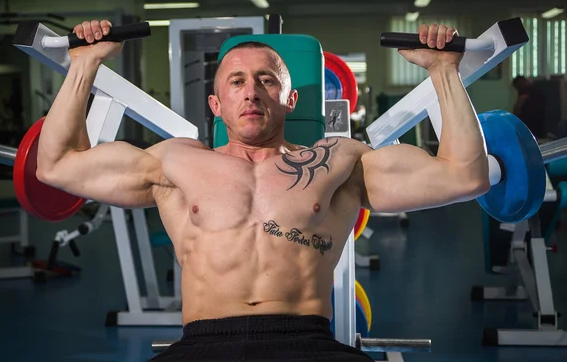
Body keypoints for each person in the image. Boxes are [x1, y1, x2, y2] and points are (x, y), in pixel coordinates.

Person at [36, 20, 491, 362]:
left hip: (306, 342)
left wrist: (443, 70)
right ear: (216, 106)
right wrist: (84, 64)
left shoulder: (339, 162)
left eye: (266, 80)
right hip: (204, 345)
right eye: (236, 82)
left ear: (290, 100)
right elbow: (56, 165)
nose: (251, 91)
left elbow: (464, 175)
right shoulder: (175, 163)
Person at [512, 75, 547, 139]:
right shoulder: (537, 89)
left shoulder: (525, 91)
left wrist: (513, 120)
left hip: (529, 123)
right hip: (539, 122)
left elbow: (518, 107)